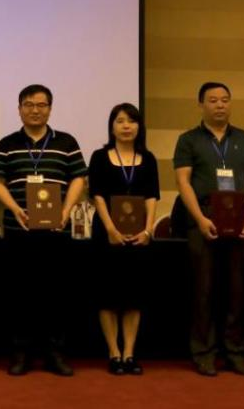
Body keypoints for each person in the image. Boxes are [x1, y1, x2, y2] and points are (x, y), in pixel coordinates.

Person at [0, 84, 88, 376]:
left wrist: (65, 211)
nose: (35, 110)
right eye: (29, 105)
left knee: (55, 293)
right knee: (20, 293)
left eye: (41, 105)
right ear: (19, 108)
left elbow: (78, 179)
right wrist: (15, 208)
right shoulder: (7, 143)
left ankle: (54, 353)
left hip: (56, 230)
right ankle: (20, 353)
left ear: (50, 108)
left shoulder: (67, 142)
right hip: (18, 229)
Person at [173, 82, 244, 376]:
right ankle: (204, 353)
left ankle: (235, 352)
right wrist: (200, 218)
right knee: (204, 290)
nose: (220, 105)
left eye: (225, 100)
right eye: (213, 100)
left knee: (237, 290)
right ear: (201, 104)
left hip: (239, 219)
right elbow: (183, 182)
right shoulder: (188, 140)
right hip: (204, 218)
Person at [88, 103, 159, 375]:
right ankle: (113, 353)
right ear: (112, 127)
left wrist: (148, 231)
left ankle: (129, 353)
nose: (126, 126)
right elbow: (97, 196)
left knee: (133, 297)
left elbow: (152, 197)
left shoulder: (148, 158)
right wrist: (110, 229)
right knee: (108, 296)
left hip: (139, 236)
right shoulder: (99, 157)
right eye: (120, 121)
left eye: (131, 121)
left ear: (139, 126)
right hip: (107, 235)